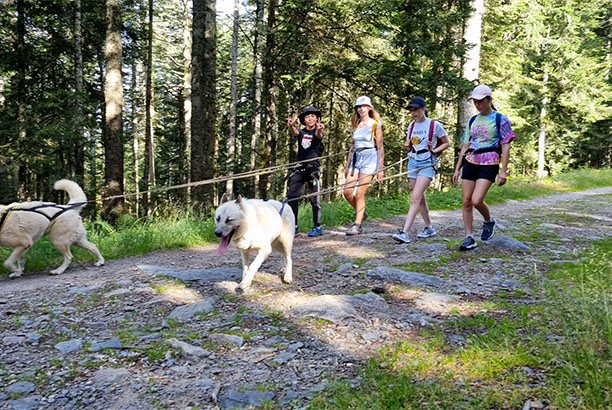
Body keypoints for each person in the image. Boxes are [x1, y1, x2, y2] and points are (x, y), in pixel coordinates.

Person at [452, 84, 515, 251]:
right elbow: (465, 145)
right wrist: (457, 168)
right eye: (475, 102)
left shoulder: (500, 119)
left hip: (489, 162)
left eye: (480, 101)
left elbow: (506, 146)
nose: (477, 105)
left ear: (489, 100)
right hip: (471, 161)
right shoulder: (472, 120)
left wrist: (503, 171)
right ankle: (469, 237)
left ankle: (488, 221)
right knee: (466, 201)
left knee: (476, 200)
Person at [392, 96, 450, 243]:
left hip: (428, 163)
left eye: (416, 110)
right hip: (413, 162)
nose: (413, 113)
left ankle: (404, 232)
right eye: (411, 110)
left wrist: (435, 149)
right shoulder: (411, 126)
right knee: (419, 197)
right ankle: (429, 227)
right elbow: (412, 144)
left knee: (415, 198)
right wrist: (408, 145)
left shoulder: (434, 125)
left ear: (424, 108)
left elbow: (447, 143)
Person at [343, 96, 384, 236]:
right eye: (358, 106)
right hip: (356, 159)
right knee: (347, 192)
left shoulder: (375, 124)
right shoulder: (356, 125)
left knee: (360, 193)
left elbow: (380, 147)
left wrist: (380, 169)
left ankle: (357, 225)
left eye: (364, 106)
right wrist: (347, 165)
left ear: (369, 108)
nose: (361, 108)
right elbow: (352, 146)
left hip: (370, 159)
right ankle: (361, 212)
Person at [286, 105, 325, 237]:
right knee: (292, 196)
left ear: (317, 119)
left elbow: (319, 136)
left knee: (314, 199)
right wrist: (291, 125)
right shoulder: (302, 132)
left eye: (312, 116)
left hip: (313, 169)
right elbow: (295, 132)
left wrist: (319, 130)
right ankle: (294, 225)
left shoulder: (318, 132)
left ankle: (317, 226)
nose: (310, 118)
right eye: (307, 116)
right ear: (303, 119)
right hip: (300, 168)